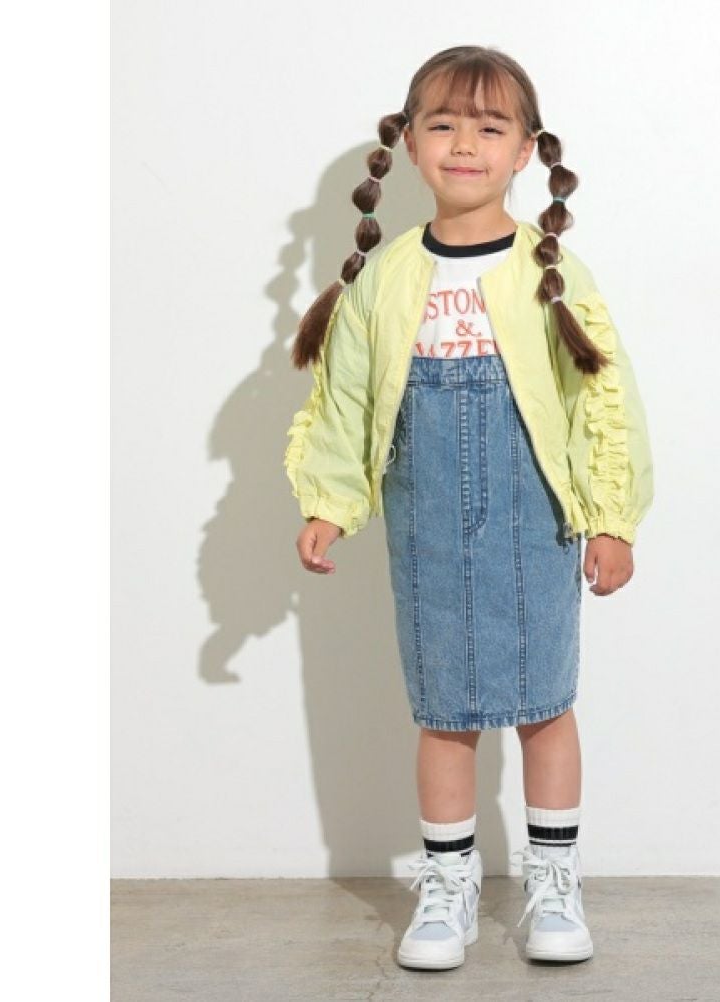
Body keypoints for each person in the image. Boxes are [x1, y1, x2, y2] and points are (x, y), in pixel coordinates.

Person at [283, 45, 654, 971]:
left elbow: (602, 399)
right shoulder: (384, 280)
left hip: (538, 523)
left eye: (489, 128)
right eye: (442, 124)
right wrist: (329, 501)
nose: (464, 144)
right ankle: (446, 890)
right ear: (409, 144)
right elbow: (346, 398)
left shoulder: (552, 273)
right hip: (427, 530)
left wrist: (611, 516)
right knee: (445, 710)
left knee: (545, 704)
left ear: (525, 150)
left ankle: (552, 884)